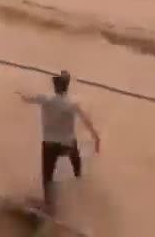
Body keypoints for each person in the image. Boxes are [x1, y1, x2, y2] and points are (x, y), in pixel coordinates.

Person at [19, 70, 100, 207]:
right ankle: (80, 185)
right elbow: (86, 120)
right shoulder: (72, 103)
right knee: (76, 164)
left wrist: (20, 92)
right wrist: (96, 138)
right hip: (67, 144)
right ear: (67, 86)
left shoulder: (45, 98)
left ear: (54, 85)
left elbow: (26, 99)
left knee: (47, 176)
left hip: (49, 144)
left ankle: (48, 202)